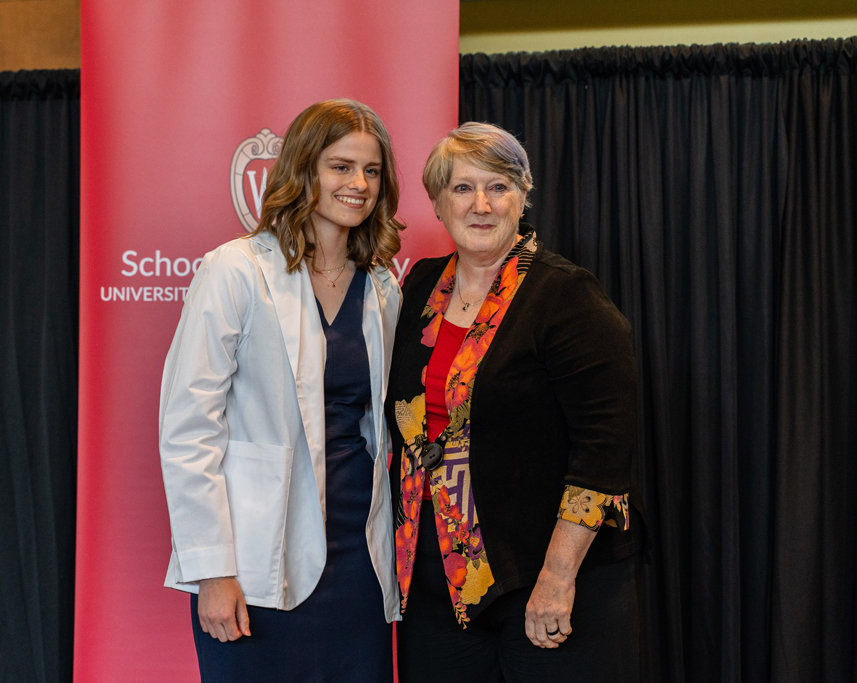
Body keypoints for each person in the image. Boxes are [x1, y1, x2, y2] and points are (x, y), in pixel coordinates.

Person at [385, 122, 642, 682]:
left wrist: (557, 577)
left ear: (524, 196)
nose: (481, 204)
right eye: (461, 188)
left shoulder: (565, 294)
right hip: (433, 588)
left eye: (499, 186)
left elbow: (605, 448)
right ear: (436, 202)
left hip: (542, 582)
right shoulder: (418, 289)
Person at [159, 99, 403, 682]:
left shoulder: (382, 285)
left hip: (359, 558)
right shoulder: (235, 270)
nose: (359, 184)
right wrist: (213, 570)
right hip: (255, 561)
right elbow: (190, 430)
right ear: (303, 170)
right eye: (341, 167)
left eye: (372, 171)